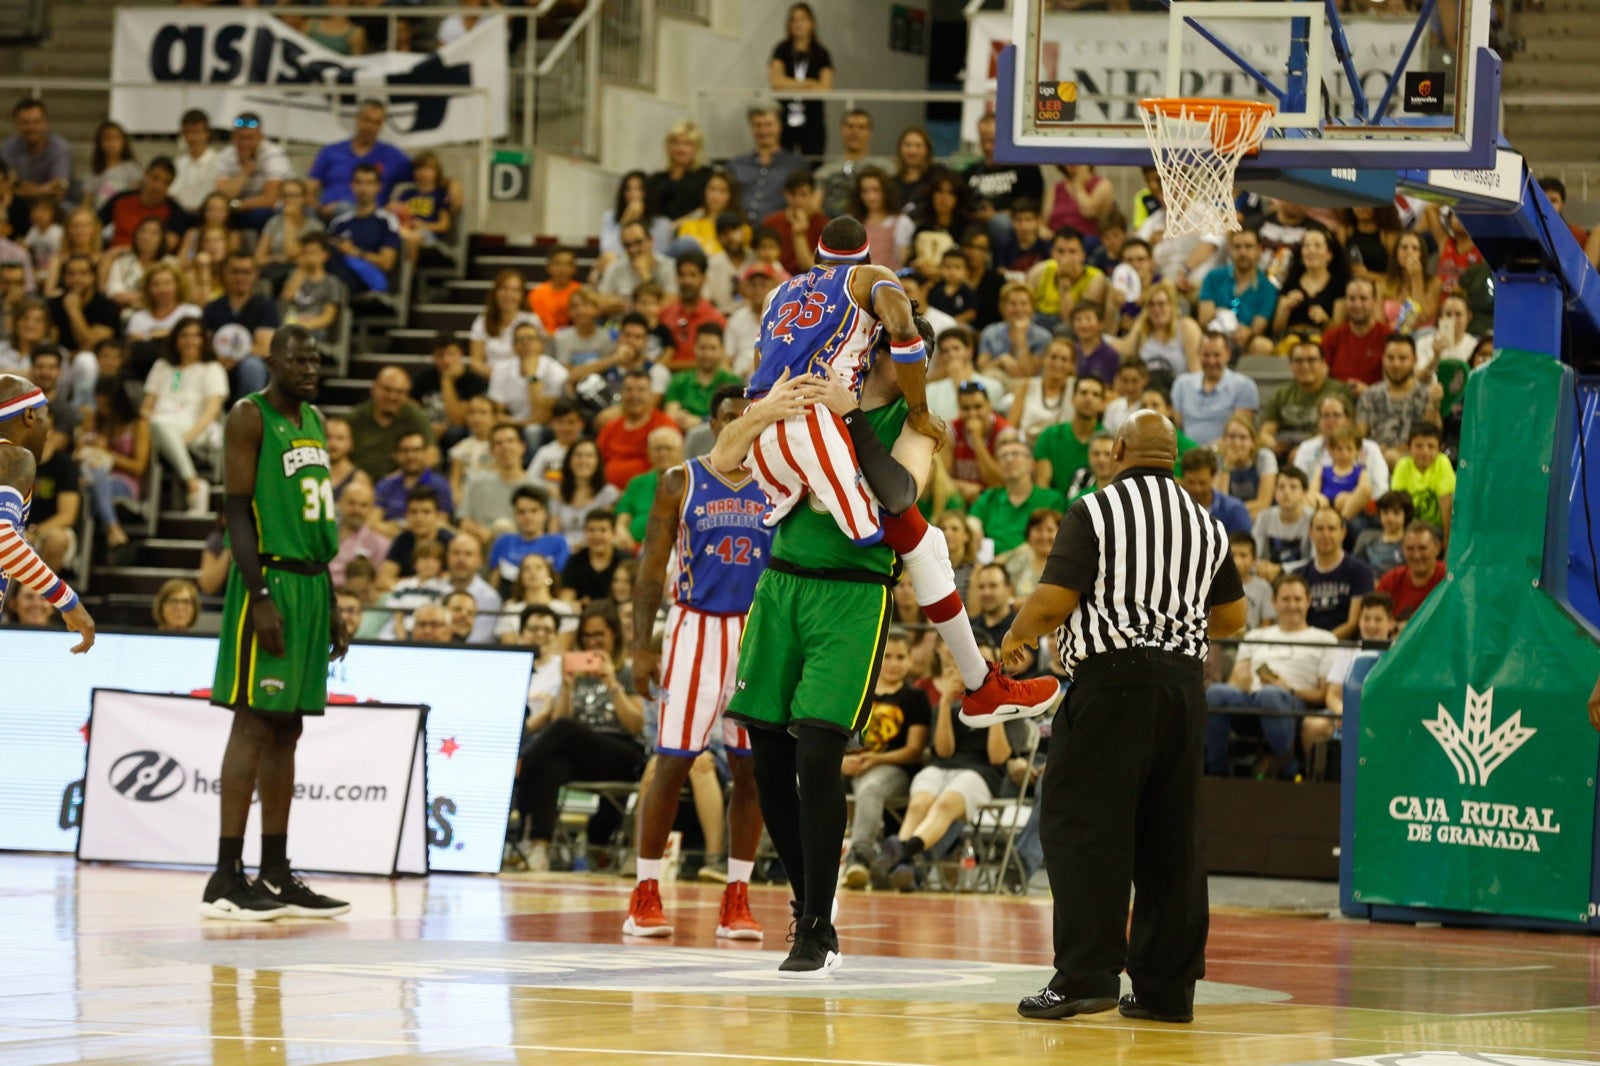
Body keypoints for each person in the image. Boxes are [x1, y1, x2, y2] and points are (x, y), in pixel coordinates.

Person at [745, 218, 1057, 725]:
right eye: (901, 358)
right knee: (917, 539)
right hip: (800, 474)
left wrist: (848, 416)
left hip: (788, 458)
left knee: (922, 537)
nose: (909, 370)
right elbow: (892, 503)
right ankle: (980, 681)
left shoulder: (913, 415)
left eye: (917, 365)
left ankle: (980, 682)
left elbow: (900, 493)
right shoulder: (857, 358)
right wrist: (851, 413)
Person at [1000, 409, 1246, 1023]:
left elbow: (1055, 599)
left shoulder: (1095, 509)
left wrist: (1018, 634)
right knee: (1173, 840)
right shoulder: (1206, 522)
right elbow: (1233, 619)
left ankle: (1086, 974)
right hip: (1185, 690)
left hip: (1112, 684)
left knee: (1082, 824)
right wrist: (1174, 622)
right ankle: (1167, 991)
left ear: (1117, 450)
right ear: (1173, 457)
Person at [204, 325, 349, 921]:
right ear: (272, 363)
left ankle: (276, 870)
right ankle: (224, 875)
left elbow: (313, 514)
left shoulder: (313, 419)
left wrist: (333, 601)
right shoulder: (249, 415)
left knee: (288, 728)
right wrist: (259, 593)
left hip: (312, 582)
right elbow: (236, 507)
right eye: (298, 358)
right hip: (269, 579)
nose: (310, 366)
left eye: (316, 357)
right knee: (253, 723)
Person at [624, 387, 769, 939]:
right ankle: (645, 892)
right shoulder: (679, 481)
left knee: (752, 770)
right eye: (729, 417)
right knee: (674, 762)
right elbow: (648, 569)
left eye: (747, 417)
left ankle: (737, 898)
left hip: (756, 635)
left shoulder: (778, 481)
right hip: (694, 626)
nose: (738, 425)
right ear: (712, 423)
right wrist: (641, 643)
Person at [1205, 572, 1336, 779]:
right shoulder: (1256, 635)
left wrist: (1288, 689)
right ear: (1274, 602)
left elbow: (1323, 695)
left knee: (1271, 695)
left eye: (1297, 599)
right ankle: (1215, 772)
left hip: (1294, 704)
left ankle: (1289, 769)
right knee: (1215, 693)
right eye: (1285, 599)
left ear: (1309, 602)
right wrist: (1240, 681)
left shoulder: (1325, 639)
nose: (1292, 605)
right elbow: (1235, 680)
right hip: (1251, 701)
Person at [0, 374, 95, 646]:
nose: (48, 431)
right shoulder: (13, 456)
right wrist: (67, 600)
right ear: (29, 415)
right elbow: (3, 539)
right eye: (45, 419)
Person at [840, 628, 932, 889]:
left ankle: (859, 857)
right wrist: (841, 761)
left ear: (911, 660)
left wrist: (875, 760)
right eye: (887, 656)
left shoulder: (915, 697)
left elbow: (914, 749)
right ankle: (778, 855)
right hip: (849, 763)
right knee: (803, 776)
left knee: (871, 787)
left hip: (893, 768)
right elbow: (836, 737)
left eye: (900, 657)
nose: (893, 663)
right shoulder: (857, 691)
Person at [305, 100, 411, 220]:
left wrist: (400, 204)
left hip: (370, 218)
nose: (371, 127)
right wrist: (320, 209)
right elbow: (309, 189)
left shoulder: (393, 155)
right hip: (325, 214)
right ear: (357, 119)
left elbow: (427, 179)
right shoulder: (330, 151)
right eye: (367, 120)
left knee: (345, 208)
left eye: (377, 123)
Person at [970, 436, 1066, 555]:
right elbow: (972, 520)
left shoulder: (1052, 499)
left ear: (1031, 464)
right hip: (992, 567)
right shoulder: (990, 497)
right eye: (1003, 456)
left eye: (1015, 454)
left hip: (1035, 564)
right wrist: (973, 526)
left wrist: (1009, 558)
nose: (1009, 460)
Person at [727, 101, 809, 228]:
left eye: (769, 125)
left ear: (779, 126)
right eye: (758, 125)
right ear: (751, 127)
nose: (764, 131)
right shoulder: (736, 164)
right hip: (737, 229)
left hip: (779, 231)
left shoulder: (796, 164)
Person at [1171, 332, 1259, 447]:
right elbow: (1177, 429)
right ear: (1198, 354)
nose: (1211, 361)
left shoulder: (1244, 386)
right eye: (1206, 355)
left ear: (1228, 354)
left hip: (1226, 454)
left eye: (1217, 355)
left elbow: (1239, 433)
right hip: (1186, 456)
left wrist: (1205, 452)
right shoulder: (1181, 384)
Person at [768, 2, 834, 157]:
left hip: (812, 119)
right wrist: (808, 83)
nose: (798, 24)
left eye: (802, 19)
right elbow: (777, 82)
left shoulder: (821, 53)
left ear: (812, 23)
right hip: (784, 117)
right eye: (794, 20)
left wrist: (790, 84)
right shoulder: (781, 50)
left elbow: (826, 87)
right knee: (782, 160)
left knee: (813, 161)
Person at [1375, 519, 1447, 623]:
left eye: (1422, 548)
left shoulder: (1449, 579)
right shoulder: (1391, 580)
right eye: (1410, 549)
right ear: (1403, 549)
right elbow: (1374, 618)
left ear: (1437, 548)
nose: (1416, 555)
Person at [1178, 447, 1252, 536]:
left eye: (1202, 483)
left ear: (1213, 477)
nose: (1197, 489)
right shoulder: (1174, 508)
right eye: (1191, 482)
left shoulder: (1234, 510)